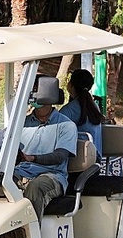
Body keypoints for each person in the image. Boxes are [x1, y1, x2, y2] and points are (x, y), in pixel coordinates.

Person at [14, 76, 77, 217]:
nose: (31, 94)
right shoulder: (21, 124)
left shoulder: (66, 126)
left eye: (35, 90)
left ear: (47, 93)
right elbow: (4, 143)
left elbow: (60, 156)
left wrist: (32, 158)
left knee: (35, 187)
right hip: (21, 172)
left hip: (51, 175)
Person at [60, 68, 104, 155]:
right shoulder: (94, 107)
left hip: (78, 160)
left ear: (71, 86)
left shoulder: (68, 110)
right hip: (96, 158)